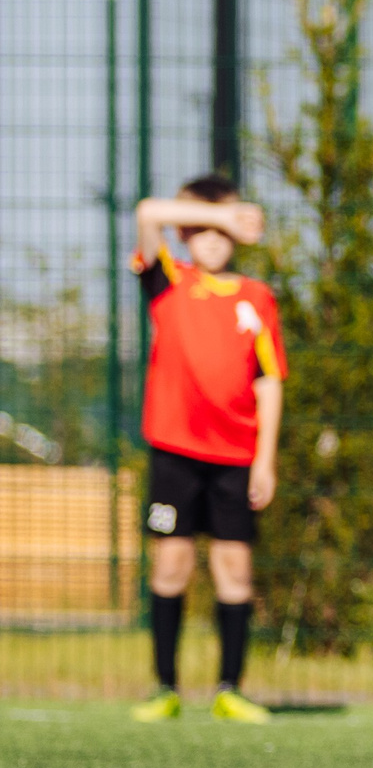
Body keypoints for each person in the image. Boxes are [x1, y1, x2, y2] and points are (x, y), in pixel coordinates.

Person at [127, 173, 285, 724]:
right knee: (170, 565)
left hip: (236, 459)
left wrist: (265, 458)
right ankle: (165, 687)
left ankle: (229, 689)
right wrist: (220, 213)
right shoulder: (169, 280)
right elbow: (148, 212)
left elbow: (269, 381)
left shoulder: (256, 299)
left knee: (235, 570)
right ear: (189, 233)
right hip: (174, 452)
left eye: (224, 228)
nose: (213, 238)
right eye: (199, 227)